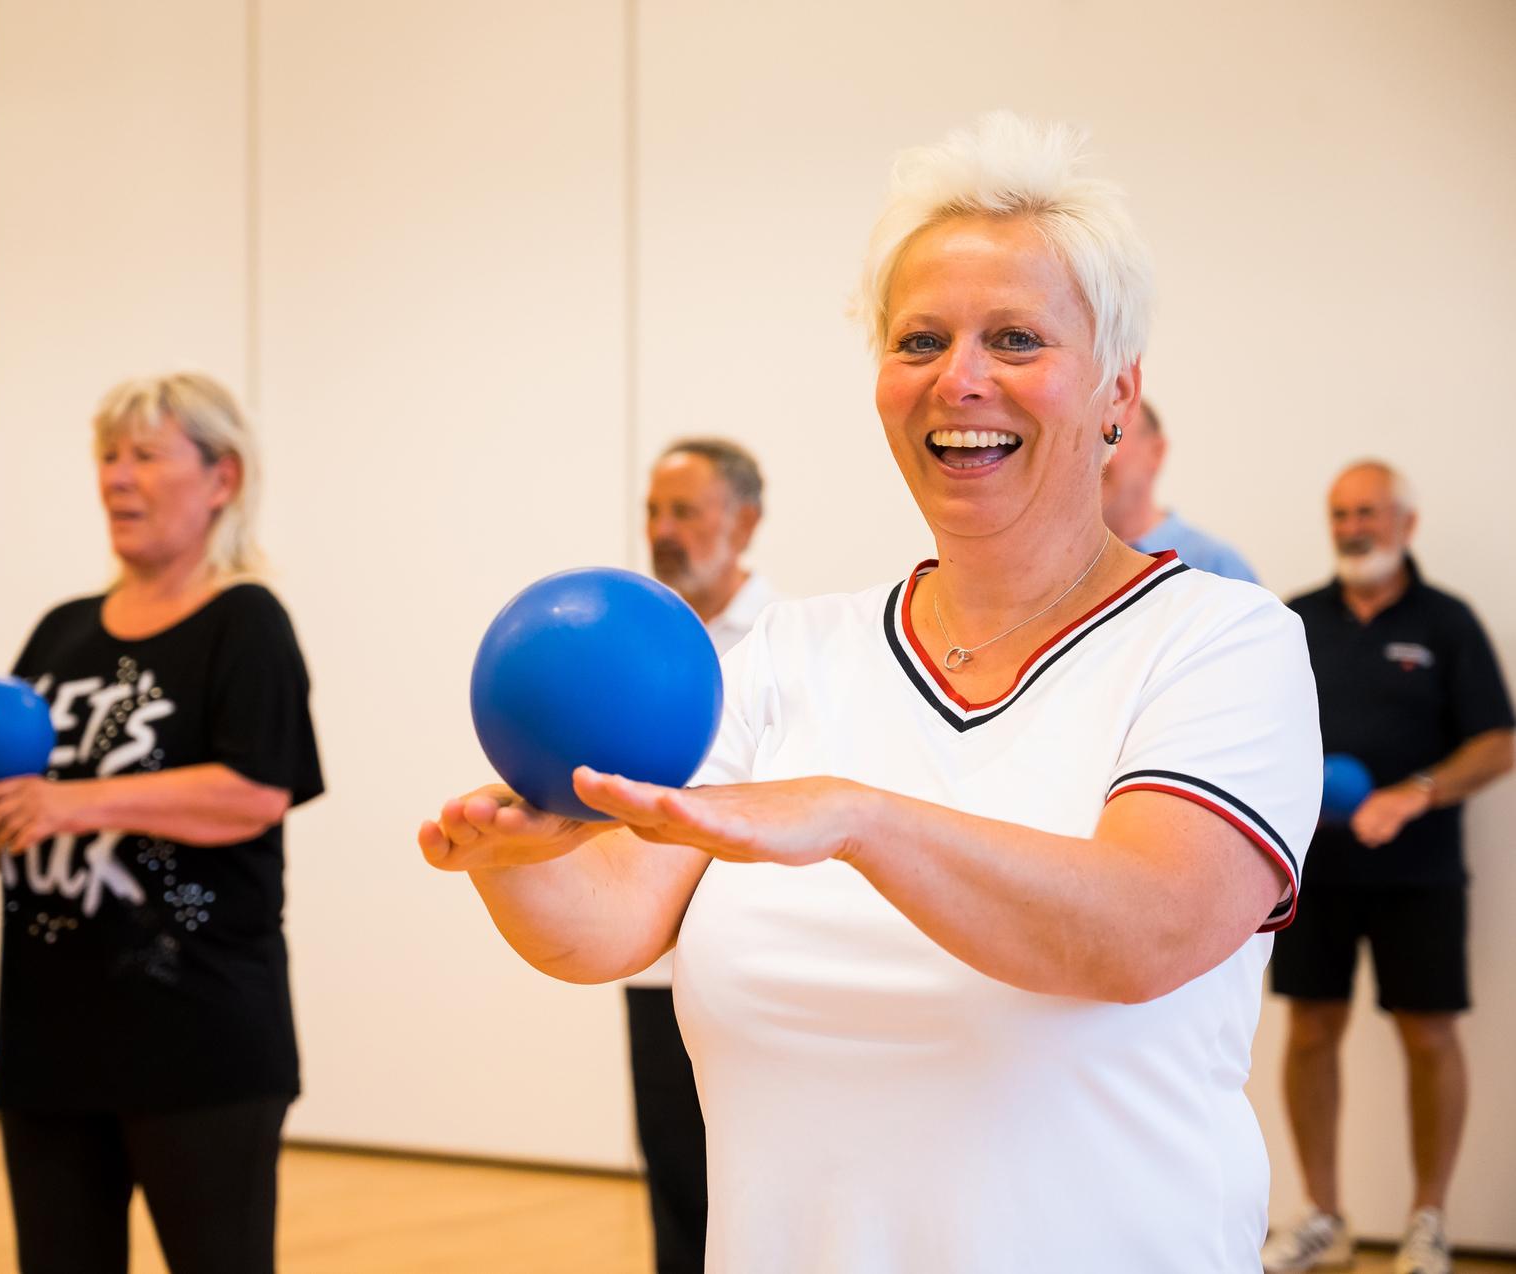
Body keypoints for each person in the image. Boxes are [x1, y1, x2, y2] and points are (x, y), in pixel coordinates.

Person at [420, 112, 1322, 1271]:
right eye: (919, 340)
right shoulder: (789, 654)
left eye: (1015, 337)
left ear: (1116, 394)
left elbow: (1143, 928)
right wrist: (517, 862)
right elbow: (605, 928)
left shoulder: (1225, 642)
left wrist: (858, 818)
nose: (961, 378)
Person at [0, 372, 324, 1274]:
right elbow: (4, 836)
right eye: (107, 456)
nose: (115, 477)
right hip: (50, 1044)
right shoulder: (60, 633)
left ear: (221, 478)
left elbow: (256, 792)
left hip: (200, 1043)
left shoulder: (246, 622)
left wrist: (66, 800)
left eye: (145, 455)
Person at [1261, 461, 1513, 1274]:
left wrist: (1414, 794)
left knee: (1429, 1036)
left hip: (1419, 876)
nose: (1351, 527)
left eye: (1366, 511)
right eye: (1338, 513)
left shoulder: (1445, 623)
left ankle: (1427, 1223)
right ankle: (1323, 1217)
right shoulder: (1294, 620)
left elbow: (1497, 740)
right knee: (1307, 1033)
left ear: (1405, 522)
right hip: (1311, 876)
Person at [629, 437, 778, 1274]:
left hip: (752, 958)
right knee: (675, 1181)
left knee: (751, 1187)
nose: (663, 529)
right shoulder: (635, 634)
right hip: (652, 958)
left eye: (685, 511)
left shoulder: (787, 642)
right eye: (653, 510)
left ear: (744, 521)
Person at [1101, 399, 1259, 583]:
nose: (1090, 455)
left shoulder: (1218, 567)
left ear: (1156, 452)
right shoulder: (1070, 568)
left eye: (1109, 436)